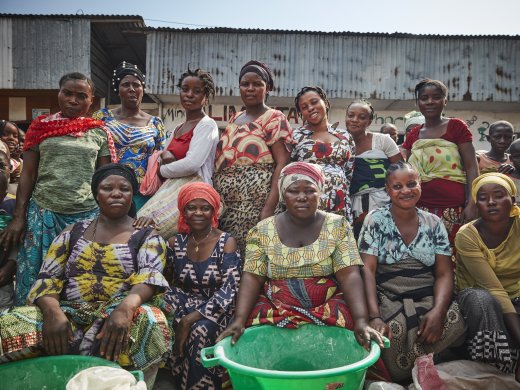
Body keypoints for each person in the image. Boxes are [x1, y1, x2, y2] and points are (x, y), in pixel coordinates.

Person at [0, 164, 171, 386]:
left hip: (119, 313)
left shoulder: (148, 236)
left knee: (152, 320)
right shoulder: (72, 232)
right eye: (107, 188)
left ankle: (134, 383)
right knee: (8, 323)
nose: (116, 193)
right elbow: (47, 279)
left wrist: (125, 310)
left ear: (132, 195)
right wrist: (53, 313)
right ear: (96, 195)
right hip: (69, 314)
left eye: (125, 189)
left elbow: (149, 278)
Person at [217, 161, 390, 381]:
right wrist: (239, 320)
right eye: (293, 191)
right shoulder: (262, 230)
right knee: (247, 334)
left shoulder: (337, 226)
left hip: (326, 304)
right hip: (275, 305)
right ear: (283, 194)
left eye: (310, 191)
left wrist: (361, 320)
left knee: (353, 332)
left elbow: (349, 275)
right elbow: (252, 276)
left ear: (320, 193)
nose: (302, 197)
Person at [0, 72, 117, 306]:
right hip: (44, 214)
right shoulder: (40, 127)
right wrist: (19, 217)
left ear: (91, 101)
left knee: (80, 281)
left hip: (87, 218)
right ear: (59, 94)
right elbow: (28, 175)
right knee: (36, 278)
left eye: (81, 96)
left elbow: (106, 179)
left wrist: (109, 221)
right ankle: (33, 334)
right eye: (68, 93)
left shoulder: (99, 131)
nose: (73, 100)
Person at [358, 162, 465, 382]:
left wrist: (438, 311)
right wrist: (375, 315)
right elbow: (367, 271)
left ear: (420, 185)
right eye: (397, 186)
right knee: (391, 331)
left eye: (411, 184)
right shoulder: (376, 220)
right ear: (387, 190)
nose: (405, 191)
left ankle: (424, 369)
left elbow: (444, 273)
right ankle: (408, 376)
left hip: (427, 294)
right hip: (388, 296)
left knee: (457, 319)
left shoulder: (434, 223)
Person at [165, 182, 241, 390]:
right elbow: (169, 282)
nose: (198, 213)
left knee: (200, 330)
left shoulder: (226, 242)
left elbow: (230, 288)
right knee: (165, 304)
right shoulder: (175, 243)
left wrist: (189, 319)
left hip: (218, 308)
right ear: (183, 212)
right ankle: (174, 378)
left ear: (213, 211)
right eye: (192, 207)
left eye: (205, 208)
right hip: (187, 302)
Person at [213, 60, 292, 256]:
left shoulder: (274, 117)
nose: (250, 89)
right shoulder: (234, 118)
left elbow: (283, 163)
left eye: (257, 84)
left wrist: (269, 207)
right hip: (228, 207)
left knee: (255, 259)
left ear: (268, 88)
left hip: (256, 204)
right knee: (232, 259)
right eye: (245, 84)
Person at [137, 67, 219, 240]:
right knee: (140, 224)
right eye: (185, 89)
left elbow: (192, 164)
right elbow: (164, 157)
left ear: (205, 98)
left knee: (150, 232)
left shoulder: (207, 125)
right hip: (171, 189)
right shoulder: (177, 129)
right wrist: (165, 159)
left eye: (197, 91)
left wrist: (161, 170)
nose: (189, 94)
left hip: (194, 191)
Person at [455, 173, 520, 380]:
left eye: (499, 195)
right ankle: (501, 362)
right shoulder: (467, 235)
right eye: (482, 198)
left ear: (513, 200)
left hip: (516, 293)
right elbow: (493, 289)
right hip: (479, 294)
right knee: (482, 300)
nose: (491, 202)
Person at [401, 79, 479, 247]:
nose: (430, 102)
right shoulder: (414, 134)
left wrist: (472, 204)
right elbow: (400, 163)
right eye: (424, 98)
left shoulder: (456, 127)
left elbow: (472, 166)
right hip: (419, 208)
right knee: (425, 258)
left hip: (454, 209)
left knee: (453, 258)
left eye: (436, 97)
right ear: (417, 102)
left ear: (445, 100)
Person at [93, 61, 165, 210]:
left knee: (138, 231)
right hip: (109, 191)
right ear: (118, 90)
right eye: (126, 85)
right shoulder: (102, 117)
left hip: (142, 194)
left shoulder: (155, 123)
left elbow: (160, 159)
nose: (132, 89)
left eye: (136, 85)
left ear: (142, 90)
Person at [291, 86, 355, 221]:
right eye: (304, 107)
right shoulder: (296, 137)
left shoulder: (344, 136)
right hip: (307, 205)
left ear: (325, 102)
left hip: (339, 203)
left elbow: (349, 173)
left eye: (314, 102)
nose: (310, 108)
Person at [346, 99, 403, 237]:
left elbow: (401, 171)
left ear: (369, 121)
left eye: (362, 117)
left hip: (383, 205)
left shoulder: (383, 141)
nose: (355, 120)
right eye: (351, 115)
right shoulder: (338, 142)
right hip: (350, 207)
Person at [0, 171, 17, 311]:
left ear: (4, 195)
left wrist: (10, 266)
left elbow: (17, 245)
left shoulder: (8, 221)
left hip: (2, 281)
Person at [0, 120, 23, 186]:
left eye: (15, 136)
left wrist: (11, 178)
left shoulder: (14, 163)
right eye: (5, 134)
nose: (11, 138)